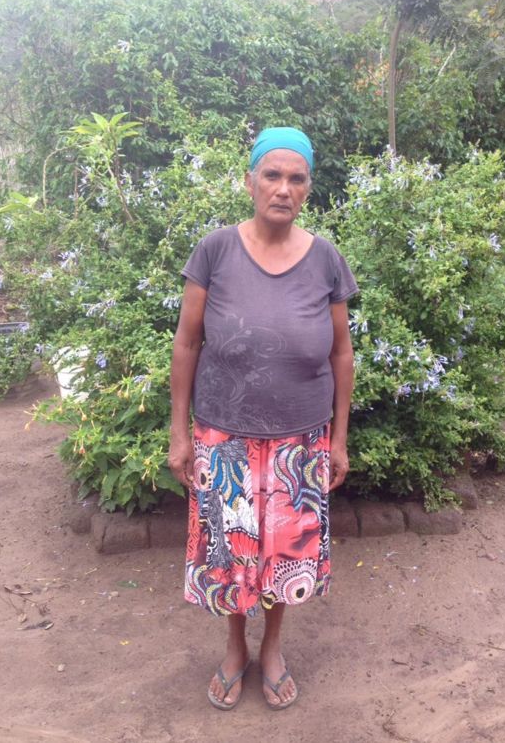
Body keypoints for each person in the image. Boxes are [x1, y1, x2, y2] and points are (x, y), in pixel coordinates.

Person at [168, 127, 357, 710]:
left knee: (284, 557)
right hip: (224, 436)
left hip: (300, 441)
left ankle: (271, 648)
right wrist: (179, 433)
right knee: (230, 555)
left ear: (308, 188)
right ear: (250, 181)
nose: (283, 188)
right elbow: (187, 344)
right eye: (272, 175)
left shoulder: (325, 258)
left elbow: (341, 352)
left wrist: (339, 440)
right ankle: (235, 649)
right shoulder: (215, 251)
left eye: (296, 178)